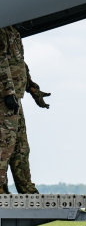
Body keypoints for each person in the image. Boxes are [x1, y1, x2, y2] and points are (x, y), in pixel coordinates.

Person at [0, 24, 49, 194]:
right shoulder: (2, 30)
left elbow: (20, 63)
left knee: (21, 147)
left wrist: (33, 89)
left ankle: (26, 188)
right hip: (4, 101)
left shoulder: (13, 32)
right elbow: (1, 61)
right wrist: (7, 92)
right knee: (4, 146)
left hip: (15, 99)